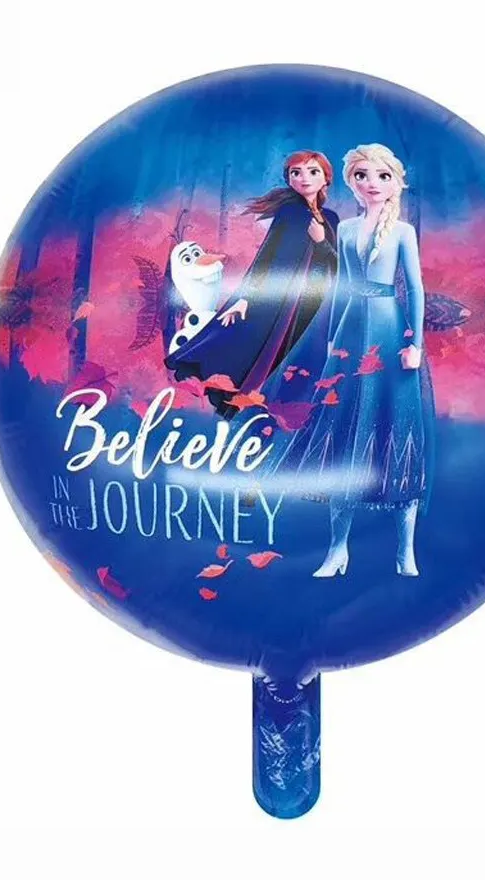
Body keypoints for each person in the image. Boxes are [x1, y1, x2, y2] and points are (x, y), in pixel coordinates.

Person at [270, 144, 433, 576]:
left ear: (395, 182)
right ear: (350, 182)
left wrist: (415, 342)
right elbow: (341, 286)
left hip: (390, 332)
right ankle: (337, 549)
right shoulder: (344, 230)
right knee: (343, 432)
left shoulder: (403, 232)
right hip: (349, 335)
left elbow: (415, 288)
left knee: (398, 429)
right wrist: (331, 338)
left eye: (382, 176)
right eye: (362, 175)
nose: (371, 184)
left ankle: (405, 551)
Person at [165, 151, 339, 418]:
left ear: (326, 178)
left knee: (302, 360)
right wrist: (245, 298)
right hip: (281, 300)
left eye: (313, 171)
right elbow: (267, 257)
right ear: (289, 179)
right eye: (296, 173)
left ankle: (294, 413)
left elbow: (337, 265)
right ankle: (251, 407)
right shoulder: (289, 213)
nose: (304, 178)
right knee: (260, 350)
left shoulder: (331, 219)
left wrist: (320, 241)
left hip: (317, 301)